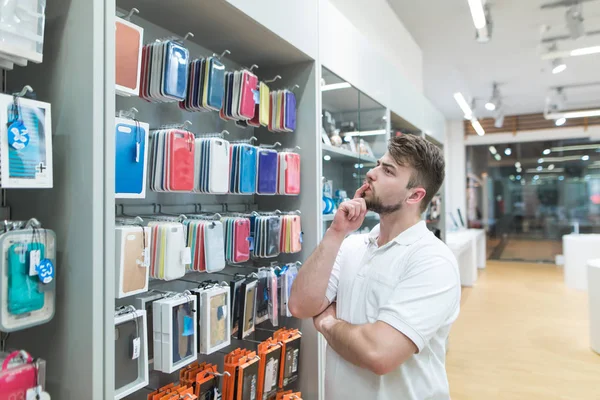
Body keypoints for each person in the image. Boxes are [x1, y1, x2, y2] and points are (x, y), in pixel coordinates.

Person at [288, 134, 460, 400]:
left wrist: (327, 322)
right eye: (379, 164)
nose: (371, 173)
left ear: (415, 195)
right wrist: (336, 231)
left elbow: (379, 354)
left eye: (387, 170)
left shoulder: (433, 261)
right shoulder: (351, 245)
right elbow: (300, 305)